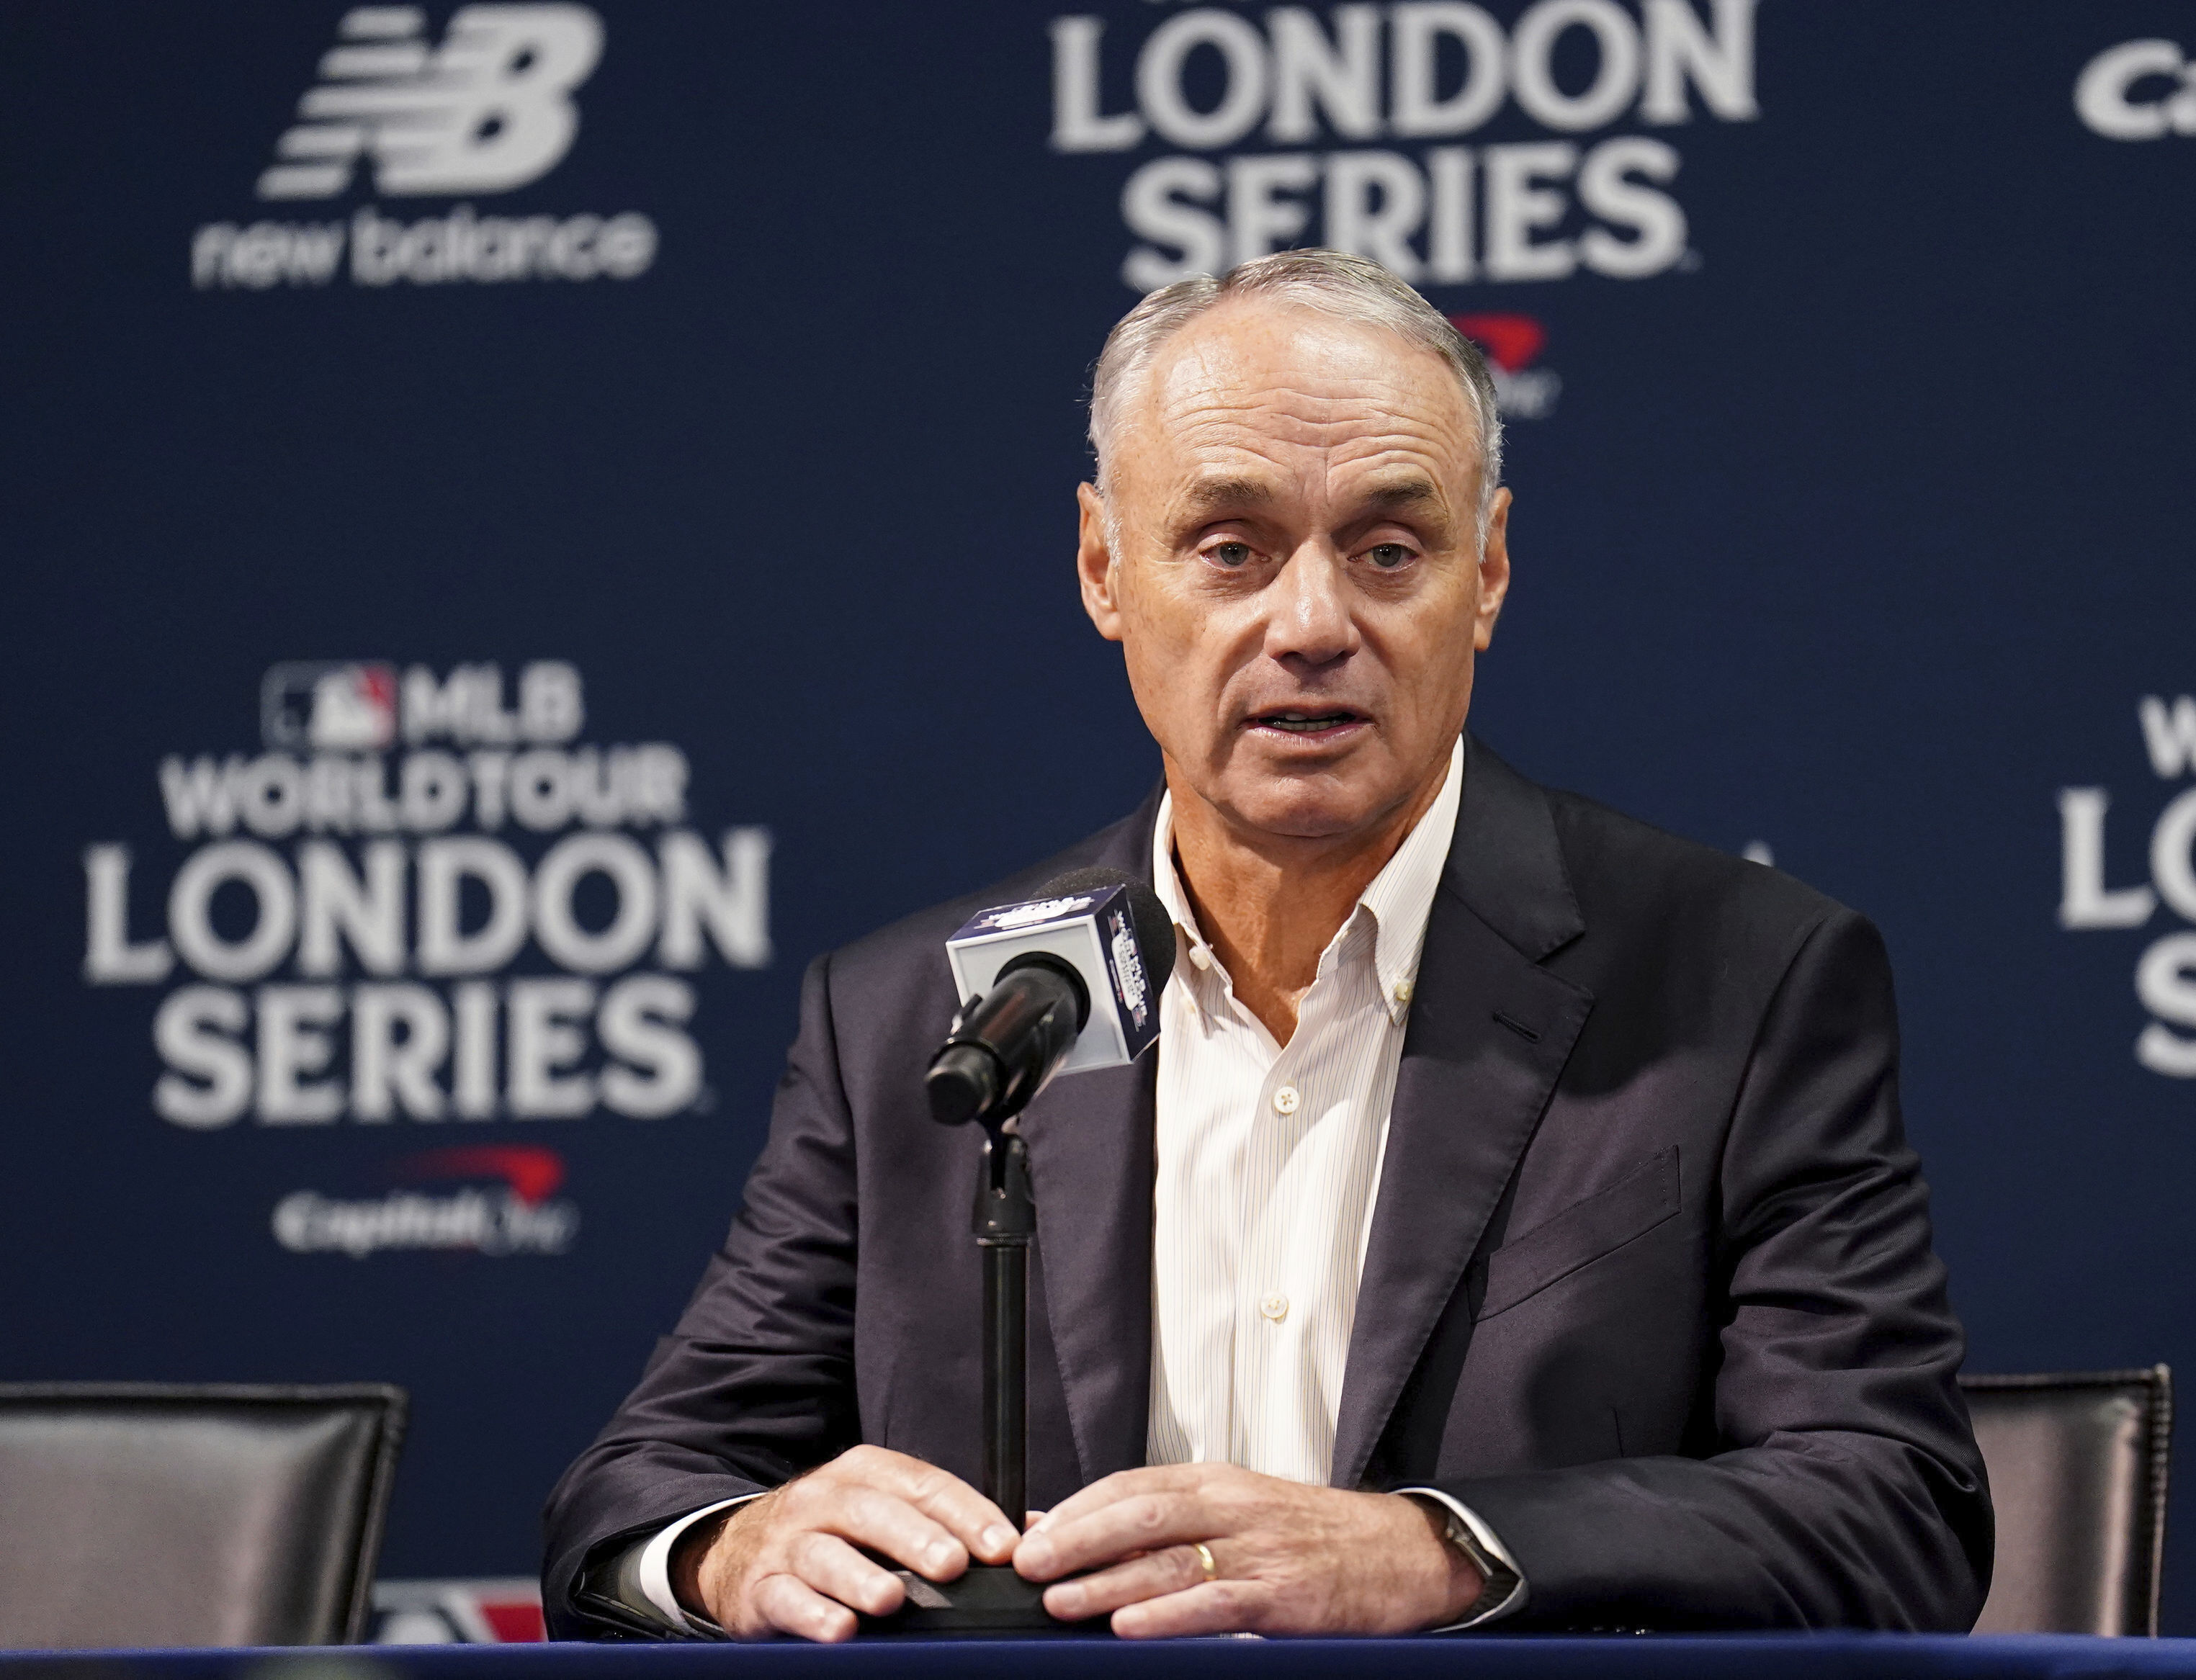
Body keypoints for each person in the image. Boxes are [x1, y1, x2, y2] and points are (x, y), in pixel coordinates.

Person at [542, 249, 1992, 1640]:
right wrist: (733, 1549)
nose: (1311, 623)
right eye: (1229, 550)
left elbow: (1887, 1505)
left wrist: (1436, 1552)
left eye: (1388, 549)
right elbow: (641, 1491)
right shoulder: (921, 1018)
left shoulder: (1736, 980)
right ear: (1106, 569)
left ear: (1484, 575)